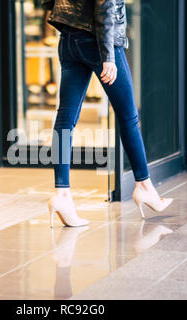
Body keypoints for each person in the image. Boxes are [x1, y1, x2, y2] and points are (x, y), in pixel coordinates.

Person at [45, 0, 173, 228]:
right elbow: (104, 5)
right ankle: (144, 186)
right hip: (98, 40)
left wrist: (58, 18)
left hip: (69, 39)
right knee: (129, 117)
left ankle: (62, 194)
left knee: (65, 119)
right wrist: (108, 57)